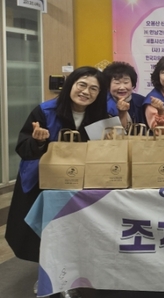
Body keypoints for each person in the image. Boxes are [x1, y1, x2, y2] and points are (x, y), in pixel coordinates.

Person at [6, 67, 109, 263]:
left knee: (76, 230)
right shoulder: (45, 111)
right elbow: (23, 148)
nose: (86, 92)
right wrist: (38, 141)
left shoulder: (101, 116)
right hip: (43, 183)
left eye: (94, 89)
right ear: (70, 85)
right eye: (82, 85)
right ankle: (47, 271)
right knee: (43, 233)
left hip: (82, 184)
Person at [103, 61, 146, 130]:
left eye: (126, 82)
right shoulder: (102, 104)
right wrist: (122, 113)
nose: (122, 87)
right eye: (117, 83)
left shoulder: (141, 101)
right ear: (108, 86)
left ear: (132, 84)